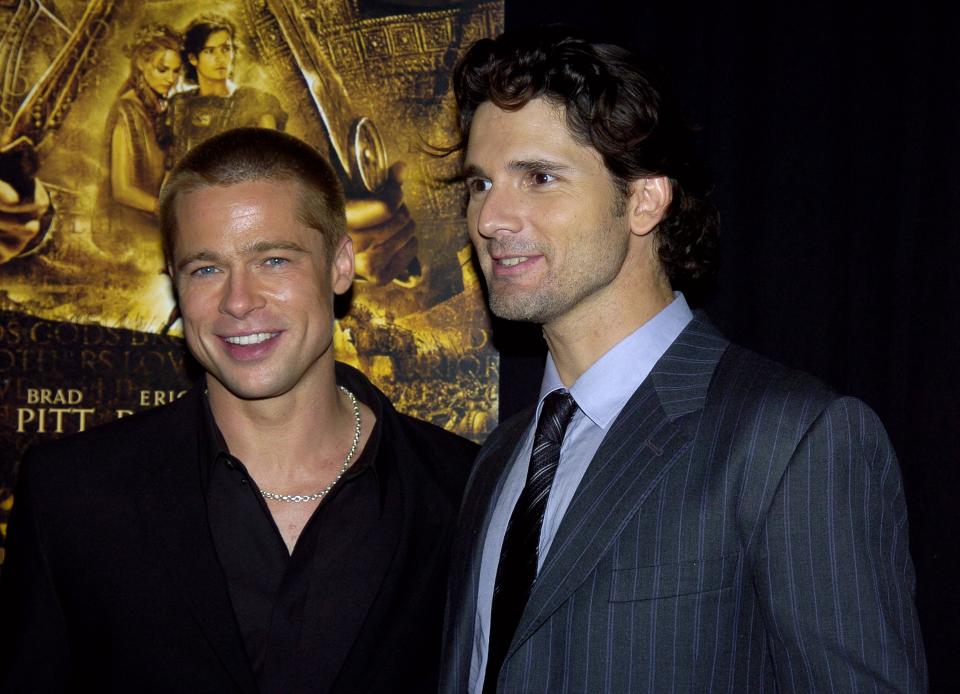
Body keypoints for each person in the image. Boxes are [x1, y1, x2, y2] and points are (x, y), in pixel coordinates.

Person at [440, 28, 927, 693]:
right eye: (480, 183)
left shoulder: (794, 442)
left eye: (540, 178)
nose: (491, 217)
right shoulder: (497, 462)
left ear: (644, 199)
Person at [0, 127, 477, 693]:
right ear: (175, 283)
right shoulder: (73, 495)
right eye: (206, 268)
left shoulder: (469, 491)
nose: (238, 300)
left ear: (341, 266)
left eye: (273, 260)